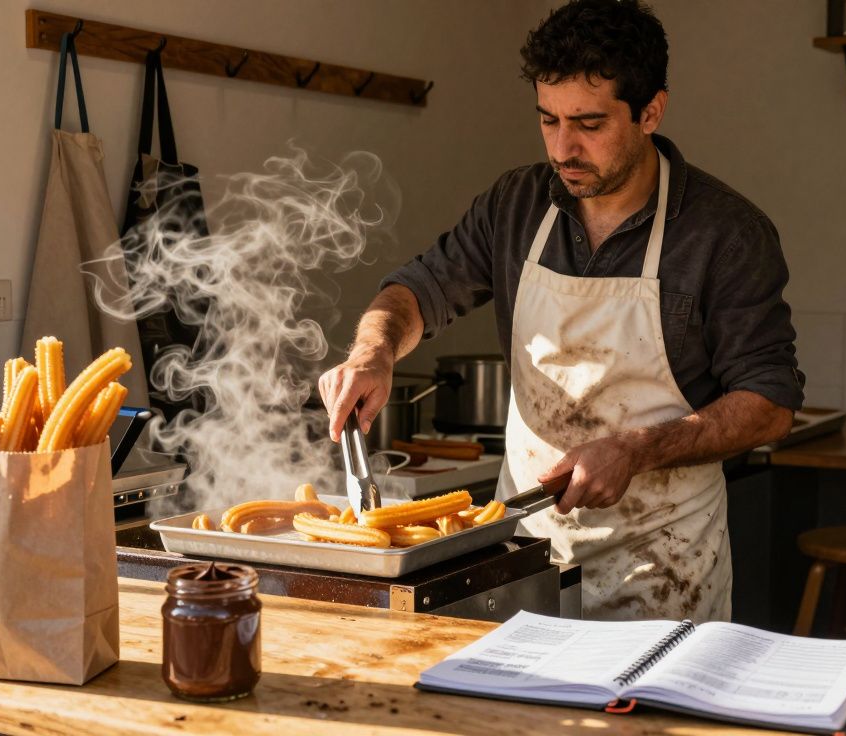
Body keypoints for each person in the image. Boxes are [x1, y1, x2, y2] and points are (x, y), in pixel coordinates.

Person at [319, 0, 803, 621]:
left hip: (664, 571)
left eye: (590, 124)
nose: (564, 147)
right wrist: (374, 351)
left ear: (650, 111)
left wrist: (636, 449)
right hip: (523, 557)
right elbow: (417, 290)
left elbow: (770, 404)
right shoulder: (516, 205)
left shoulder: (724, 234)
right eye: (548, 120)